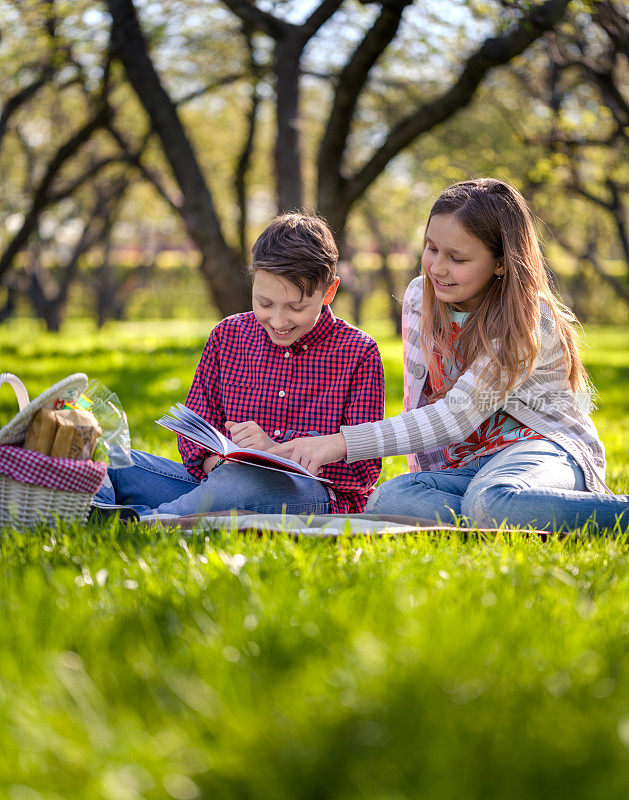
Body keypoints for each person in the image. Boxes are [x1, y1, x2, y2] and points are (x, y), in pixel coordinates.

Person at [271, 179, 629, 532]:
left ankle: (515, 508)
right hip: (471, 467)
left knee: (491, 500)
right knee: (388, 500)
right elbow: (418, 403)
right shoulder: (419, 297)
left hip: (541, 450)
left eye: (457, 258)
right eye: (431, 249)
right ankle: (500, 514)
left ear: (501, 263)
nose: (437, 268)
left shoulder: (528, 317)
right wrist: (421, 476)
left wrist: (339, 443)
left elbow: (455, 415)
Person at [94, 213, 384, 520]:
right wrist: (220, 463)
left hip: (310, 496)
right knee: (109, 459)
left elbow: (363, 471)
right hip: (217, 483)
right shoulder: (228, 335)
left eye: (296, 308)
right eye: (265, 303)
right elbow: (195, 432)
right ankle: (100, 510)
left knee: (243, 483)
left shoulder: (359, 351)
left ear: (329, 291)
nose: (279, 321)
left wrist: (273, 450)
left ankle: (147, 523)